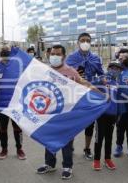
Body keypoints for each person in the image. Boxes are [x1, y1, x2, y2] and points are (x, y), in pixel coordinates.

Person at [37, 44, 103, 179]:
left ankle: (67, 166)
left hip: (68, 113)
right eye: (52, 54)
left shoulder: (70, 71)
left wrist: (99, 93)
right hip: (50, 113)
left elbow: (83, 83)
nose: (54, 56)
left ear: (64, 56)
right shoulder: (46, 71)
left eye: (57, 54)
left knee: (66, 141)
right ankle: (49, 164)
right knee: (49, 139)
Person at [66, 32, 104, 160]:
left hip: (90, 94)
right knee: (72, 121)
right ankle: (69, 146)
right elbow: (64, 76)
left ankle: (87, 148)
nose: (85, 42)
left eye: (88, 40)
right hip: (75, 94)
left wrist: (103, 80)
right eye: (82, 40)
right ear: (78, 42)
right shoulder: (70, 58)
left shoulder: (96, 58)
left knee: (90, 123)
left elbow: (101, 74)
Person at [0, 46, 27, 160]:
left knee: (17, 128)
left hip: (15, 104)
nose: (5, 51)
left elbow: (24, 82)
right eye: (3, 49)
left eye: (7, 50)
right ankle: (4, 149)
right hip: (1, 105)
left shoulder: (17, 65)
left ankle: (19, 149)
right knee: (3, 128)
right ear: (0, 53)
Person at [92, 61, 123, 171]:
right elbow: (90, 85)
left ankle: (108, 159)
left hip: (113, 115)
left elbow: (118, 100)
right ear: (109, 68)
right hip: (101, 114)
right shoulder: (101, 78)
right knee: (99, 138)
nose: (116, 71)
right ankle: (96, 160)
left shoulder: (117, 83)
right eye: (113, 68)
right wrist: (100, 80)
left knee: (109, 138)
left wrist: (118, 113)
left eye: (118, 70)